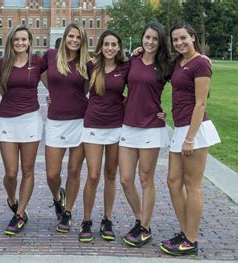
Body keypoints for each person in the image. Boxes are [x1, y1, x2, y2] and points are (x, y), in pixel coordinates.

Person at [159, 21, 221, 256]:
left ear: (193, 37)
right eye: (175, 39)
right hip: (180, 129)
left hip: (195, 131)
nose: (179, 42)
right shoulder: (179, 62)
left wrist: (190, 139)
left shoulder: (201, 63)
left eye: (183, 38)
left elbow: (201, 102)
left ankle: (191, 240)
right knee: (173, 181)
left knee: (192, 186)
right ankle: (185, 232)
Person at [119, 21, 172, 247]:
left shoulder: (166, 66)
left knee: (145, 179)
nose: (150, 42)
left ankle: (145, 228)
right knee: (126, 179)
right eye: (147, 37)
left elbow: (184, 86)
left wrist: (167, 110)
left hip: (151, 125)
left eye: (155, 39)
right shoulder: (132, 61)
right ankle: (141, 219)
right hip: (129, 125)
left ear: (160, 43)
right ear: (142, 38)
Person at [0, 25, 46, 235]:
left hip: (31, 120)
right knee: (11, 173)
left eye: (24, 39)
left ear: (30, 42)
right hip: (7, 121)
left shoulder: (38, 63)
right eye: (16, 40)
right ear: (11, 42)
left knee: (28, 169)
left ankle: (20, 213)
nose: (20, 43)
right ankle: (12, 199)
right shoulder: (2, 64)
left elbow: (57, 85)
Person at [79, 29, 129, 242]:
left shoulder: (126, 67)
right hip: (93, 125)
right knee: (92, 175)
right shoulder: (91, 66)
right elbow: (77, 90)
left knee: (110, 174)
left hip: (116, 125)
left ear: (119, 47)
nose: (110, 48)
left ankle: (107, 219)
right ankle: (87, 220)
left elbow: (139, 90)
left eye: (114, 44)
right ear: (100, 46)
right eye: (106, 44)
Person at [41, 22, 89, 233]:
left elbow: (88, 89)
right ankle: (58, 197)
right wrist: (51, 90)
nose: (74, 40)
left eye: (78, 38)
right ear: (65, 37)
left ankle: (67, 212)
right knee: (52, 174)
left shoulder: (87, 62)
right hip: (55, 121)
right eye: (71, 36)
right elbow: (38, 73)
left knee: (74, 170)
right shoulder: (51, 55)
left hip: (80, 120)